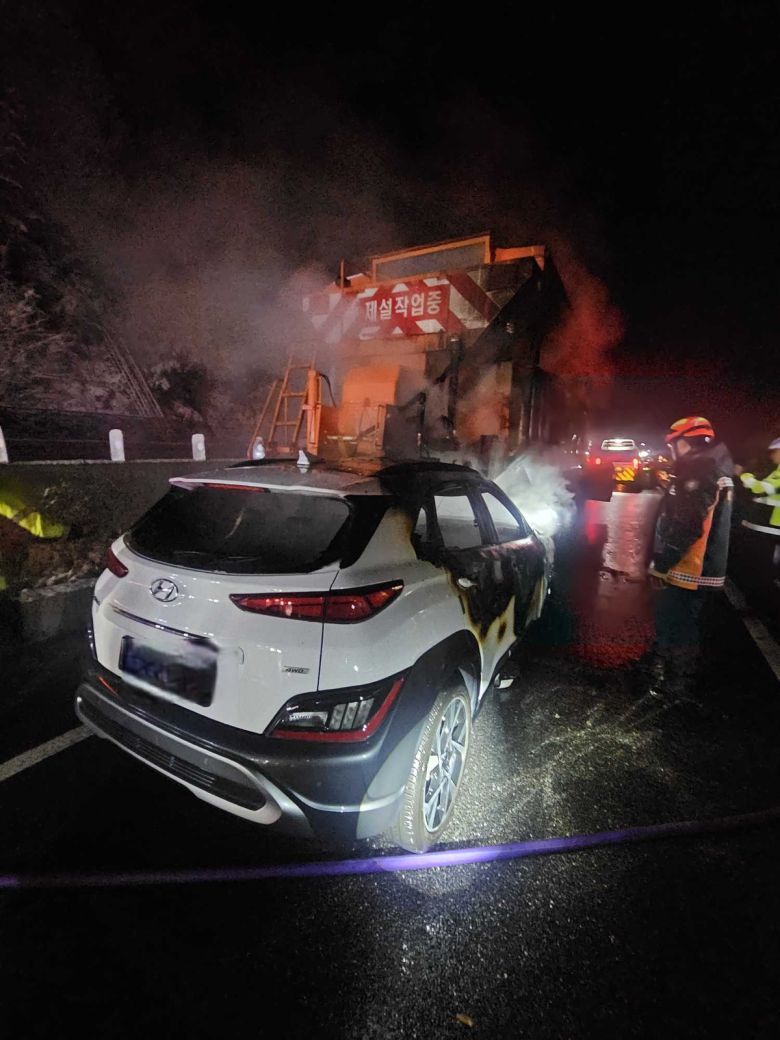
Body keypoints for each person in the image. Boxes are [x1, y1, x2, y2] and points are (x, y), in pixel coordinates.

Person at [644, 416, 734, 693]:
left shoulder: (699, 471)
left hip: (688, 568)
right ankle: (667, 667)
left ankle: (677, 680)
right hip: (696, 566)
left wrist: (663, 563)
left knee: (679, 623)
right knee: (677, 619)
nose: (671, 450)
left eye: (672, 444)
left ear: (683, 442)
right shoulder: (713, 468)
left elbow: (688, 525)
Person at [736, 436, 780, 606]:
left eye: (775, 451)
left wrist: (745, 476)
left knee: (763, 569)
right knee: (763, 567)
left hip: (770, 528)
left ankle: (760, 604)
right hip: (766, 527)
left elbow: (763, 488)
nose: (772, 455)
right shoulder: (775, 470)